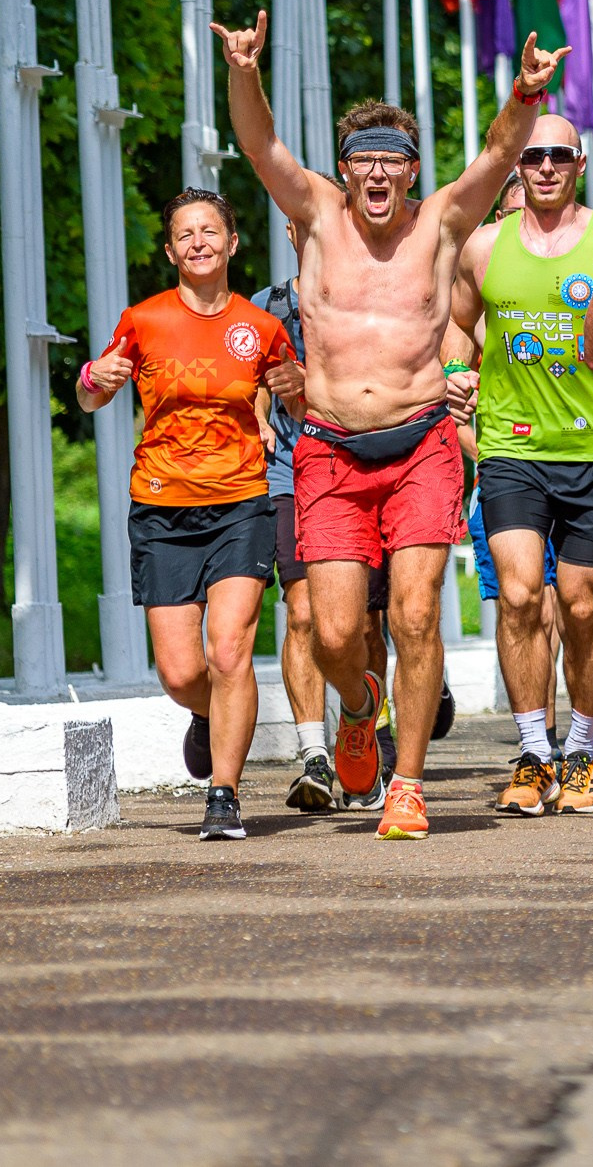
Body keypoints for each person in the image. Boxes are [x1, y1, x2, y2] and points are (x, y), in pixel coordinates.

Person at [216, 10, 562, 839]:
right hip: (331, 448)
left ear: (411, 173)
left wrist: (523, 93)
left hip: (421, 445)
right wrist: (244, 70)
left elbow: (498, 156)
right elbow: (261, 145)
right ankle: (359, 703)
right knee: (335, 633)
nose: (378, 175)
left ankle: (407, 782)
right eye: (364, 161)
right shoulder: (317, 214)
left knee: (413, 614)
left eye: (393, 162)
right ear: (345, 168)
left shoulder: (441, 224)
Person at [76, 190, 297, 839]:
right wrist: (98, 375)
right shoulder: (143, 319)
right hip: (163, 504)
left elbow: (304, 411)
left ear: (232, 243)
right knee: (180, 672)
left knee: (230, 650)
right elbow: (90, 396)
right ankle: (207, 714)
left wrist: (299, 389)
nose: (198, 241)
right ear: (171, 249)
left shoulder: (261, 327)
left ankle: (224, 794)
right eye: (185, 233)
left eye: (210, 230)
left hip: (240, 502)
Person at [443, 116, 593, 817]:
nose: (545, 166)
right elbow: (458, 326)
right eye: (533, 155)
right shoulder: (485, 247)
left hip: (589, 447)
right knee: (520, 594)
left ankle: (581, 747)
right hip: (511, 447)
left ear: (579, 163)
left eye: (559, 155)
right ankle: (533, 751)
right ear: (515, 165)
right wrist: (455, 371)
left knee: (583, 603)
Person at [252, 215, 390, 816]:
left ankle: (367, 728)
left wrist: (317, 384)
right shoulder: (266, 306)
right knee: (304, 611)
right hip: (289, 469)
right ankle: (313, 755)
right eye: (299, 227)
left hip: (367, 466)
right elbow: (246, 378)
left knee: (363, 623)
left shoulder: (380, 294)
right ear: (287, 233)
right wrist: (259, 414)